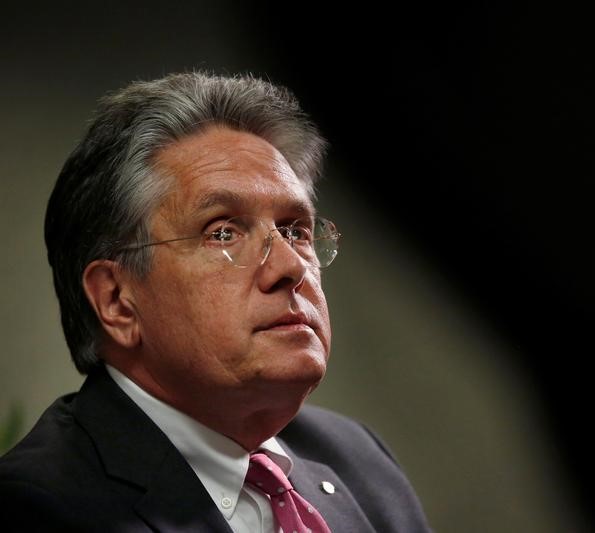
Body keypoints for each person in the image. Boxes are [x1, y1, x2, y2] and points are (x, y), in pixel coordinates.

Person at [0, 71, 432, 532]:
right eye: (222, 232)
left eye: (295, 230)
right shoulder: (37, 507)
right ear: (116, 300)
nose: (290, 266)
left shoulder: (357, 460)